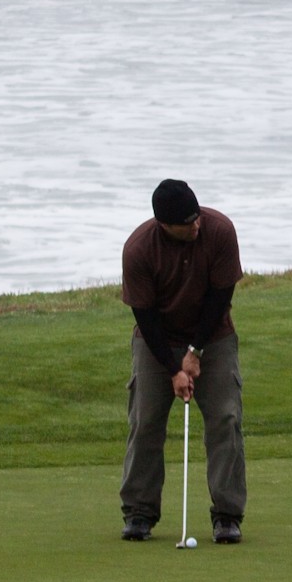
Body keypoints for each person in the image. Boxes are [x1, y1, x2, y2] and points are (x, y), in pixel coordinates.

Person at [118, 177, 244, 543]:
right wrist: (173, 368)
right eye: (186, 223)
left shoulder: (219, 230)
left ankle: (227, 515)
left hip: (214, 336)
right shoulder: (139, 249)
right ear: (164, 225)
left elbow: (222, 295)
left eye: (196, 216)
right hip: (157, 339)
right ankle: (139, 511)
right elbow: (145, 316)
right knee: (145, 420)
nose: (196, 225)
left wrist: (196, 352)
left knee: (226, 417)